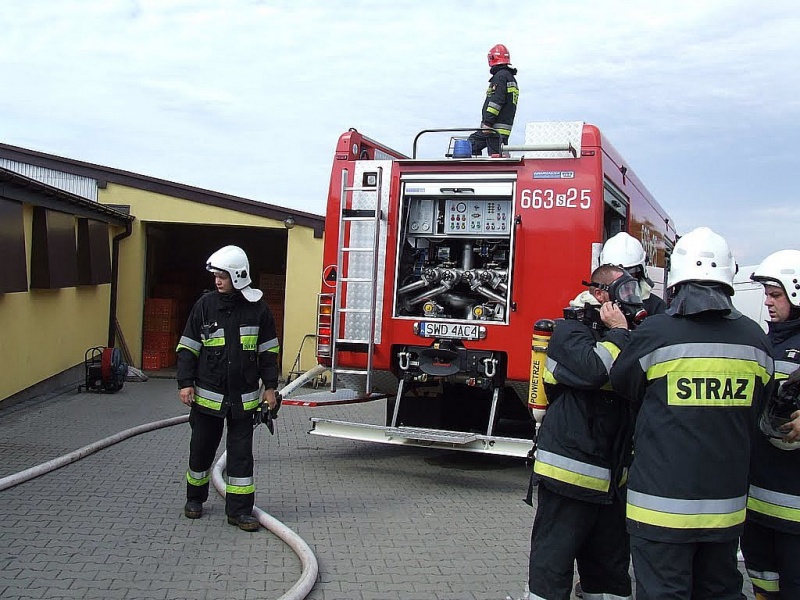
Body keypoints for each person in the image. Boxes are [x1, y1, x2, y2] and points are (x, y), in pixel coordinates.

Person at [609, 227, 774, 599]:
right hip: (726, 512)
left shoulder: (656, 333)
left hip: (659, 511)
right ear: (728, 276)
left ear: (676, 280)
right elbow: (760, 410)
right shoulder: (756, 339)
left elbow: (623, 384)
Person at [526, 264, 645, 600]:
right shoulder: (568, 332)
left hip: (612, 480)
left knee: (609, 570)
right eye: (623, 291)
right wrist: (620, 334)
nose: (631, 299)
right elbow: (595, 370)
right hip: (569, 476)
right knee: (553, 564)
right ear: (599, 294)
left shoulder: (622, 334)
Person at [176, 245, 280, 532]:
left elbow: (269, 352)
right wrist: (185, 384)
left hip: (244, 402)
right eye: (216, 276)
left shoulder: (258, 309)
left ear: (238, 276)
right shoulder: (205, 305)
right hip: (208, 398)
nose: (217, 281)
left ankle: (240, 511)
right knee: (200, 451)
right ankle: (194, 499)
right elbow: (188, 347)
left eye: (223, 276)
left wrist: (270, 388)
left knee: (241, 457)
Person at [742, 249, 800, 599]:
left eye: (775, 295)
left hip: (795, 514)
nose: (767, 302)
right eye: (765, 294)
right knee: (764, 586)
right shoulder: (761, 343)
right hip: (756, 505)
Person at [468, 43, 519, 157]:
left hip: (493, 129)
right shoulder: (509, 77)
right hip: (501, 129)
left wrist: (487, 123)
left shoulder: (500, 77)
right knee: (473, 144)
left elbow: (496, 102)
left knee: (495, 158)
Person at [600, 231, 667, 316]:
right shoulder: (589, 306)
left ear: (639, 274)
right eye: (615, 276)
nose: (623, 282)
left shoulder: (656, 307)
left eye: (629, 273)